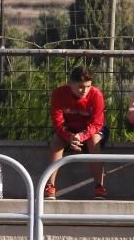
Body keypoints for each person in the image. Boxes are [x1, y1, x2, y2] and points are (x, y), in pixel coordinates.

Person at [46, 65, 107, 200]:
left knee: (94, 141)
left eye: (88, 86)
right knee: (56, 141)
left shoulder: (97, 95)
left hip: (92, 130)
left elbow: (97, 123)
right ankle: (50, 186)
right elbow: (57, 121)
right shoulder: (59, 93)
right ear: (70, 84)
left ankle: (99, 186)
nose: (84, 91)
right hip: (68, 129)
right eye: (80, 86)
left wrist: (81, 136)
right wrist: (69, 137)